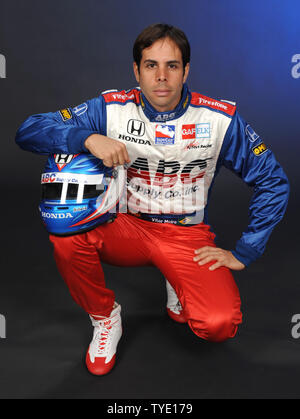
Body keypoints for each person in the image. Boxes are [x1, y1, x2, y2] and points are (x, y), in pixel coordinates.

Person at [15, 23, 289, 376]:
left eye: (172, 66)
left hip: (184, 234)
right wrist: (86, 138)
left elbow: (273, 180)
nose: (161, 77)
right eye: (151, 65)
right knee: (65, 234)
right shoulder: (111, 109)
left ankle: (175, 276)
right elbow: (29, 130)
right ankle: (105, 318)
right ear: (136, 70)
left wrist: (246, 249)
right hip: (121, 225)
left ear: (186, 70)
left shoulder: (219, 119)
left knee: (218, 324)